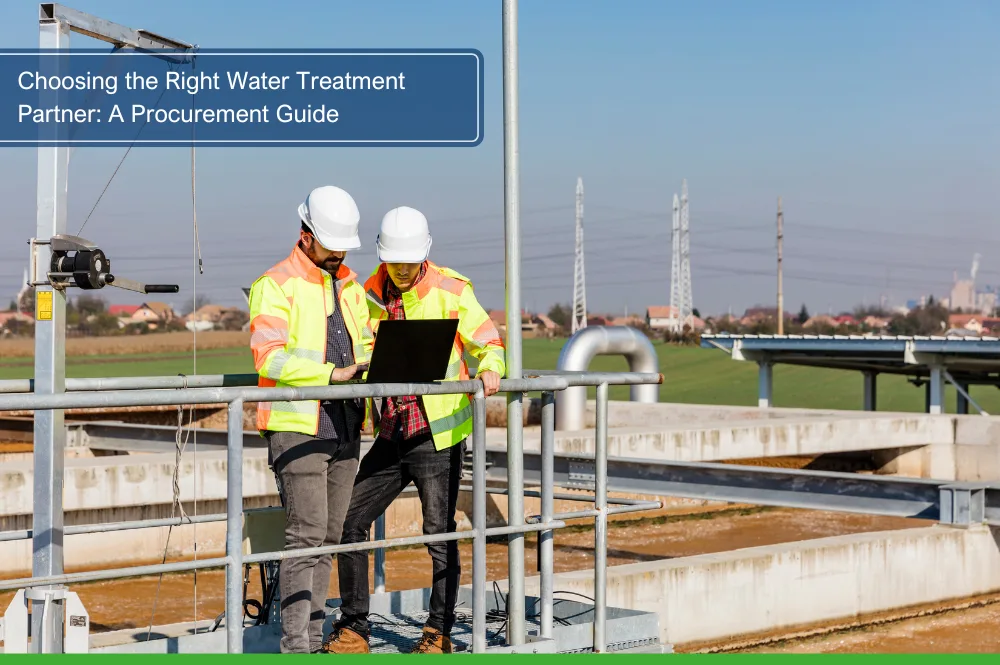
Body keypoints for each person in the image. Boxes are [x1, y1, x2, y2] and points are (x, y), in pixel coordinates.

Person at [324, 206, 505, 654]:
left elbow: (489, 341)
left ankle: (438, 635)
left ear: (423, 255)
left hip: (436, 435)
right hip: (390, 432)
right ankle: (354, 630)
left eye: (408, 263)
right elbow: (363, 346)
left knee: (438, 534)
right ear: (384, 258)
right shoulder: (366, 291)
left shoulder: (451, 288)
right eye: (394, 263)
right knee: (350, 522)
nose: (402, 272)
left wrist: (492, 368)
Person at [247, 185, 376, 654]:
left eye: (344, 244)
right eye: (331, 243)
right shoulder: (275, 284)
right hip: (298, 424)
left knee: (329, 536)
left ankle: (315, 637)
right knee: (306, 535)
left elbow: (363, 346)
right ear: (306, 235)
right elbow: (269, 359)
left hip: (345, 425)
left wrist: (375, 364)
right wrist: (330, 374)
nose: (339, 252)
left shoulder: (352, 285)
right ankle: (295, 647)